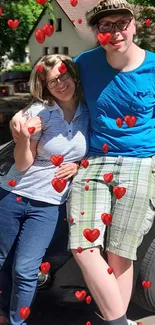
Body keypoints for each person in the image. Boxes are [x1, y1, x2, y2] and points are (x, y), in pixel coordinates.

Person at [66, 0, 155, 325]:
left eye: (122, 23)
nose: (115, 31)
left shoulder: (154, 67)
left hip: (141, 162)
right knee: (84, 246)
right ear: (97, 32)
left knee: (120, 252)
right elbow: (61, 103)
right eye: (106, 25)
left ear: (134, 26)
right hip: (94, 161)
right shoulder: (83, 64)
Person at [0, 54, 89, 325]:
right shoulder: (39, 112)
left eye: (64, 76)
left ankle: (18, 321)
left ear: (73, 75)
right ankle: (3, 313)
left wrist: (79, 166)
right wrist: (25, 138)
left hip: (48, 203)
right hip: (13, 194)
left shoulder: (90, 110)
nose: (60, 84)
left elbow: (98, 148)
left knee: (26, 269)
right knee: (2, 260)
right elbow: (23, 163)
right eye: (52, 81)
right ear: (45, 86)